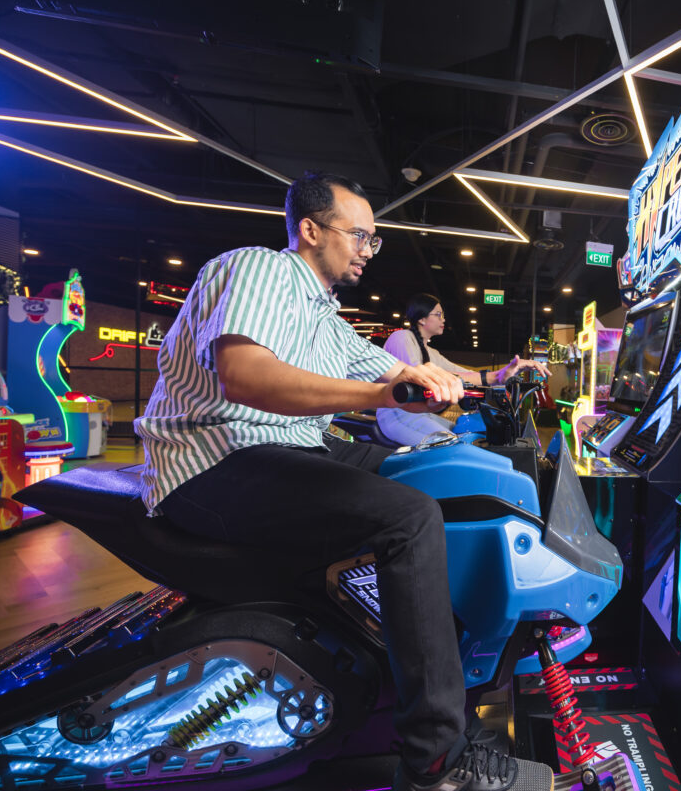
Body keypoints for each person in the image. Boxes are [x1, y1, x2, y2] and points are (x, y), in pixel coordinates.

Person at [134, 170, 553, 791]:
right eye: (359, 235)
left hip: (286, 449)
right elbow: (246, 378)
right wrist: (387, 392)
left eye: (373, 240)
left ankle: (412, 666)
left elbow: (400, 370)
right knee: (408, 518)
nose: (367, 249)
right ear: (310, 229)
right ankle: (436, 761)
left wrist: (490, 382)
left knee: (437, 476)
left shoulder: (323, 314)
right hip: (216, 458)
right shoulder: (262, 269)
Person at [378, 293, 550, 446]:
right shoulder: (402, 338)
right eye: (438, 315)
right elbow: (420, 376)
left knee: (464, 436)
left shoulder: (431, 353)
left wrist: (501, 376)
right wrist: (495, 377)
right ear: (422, 319)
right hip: (396, 413)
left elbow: (463, 373)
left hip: (419, 413)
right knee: (453, 447)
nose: (443, 320)